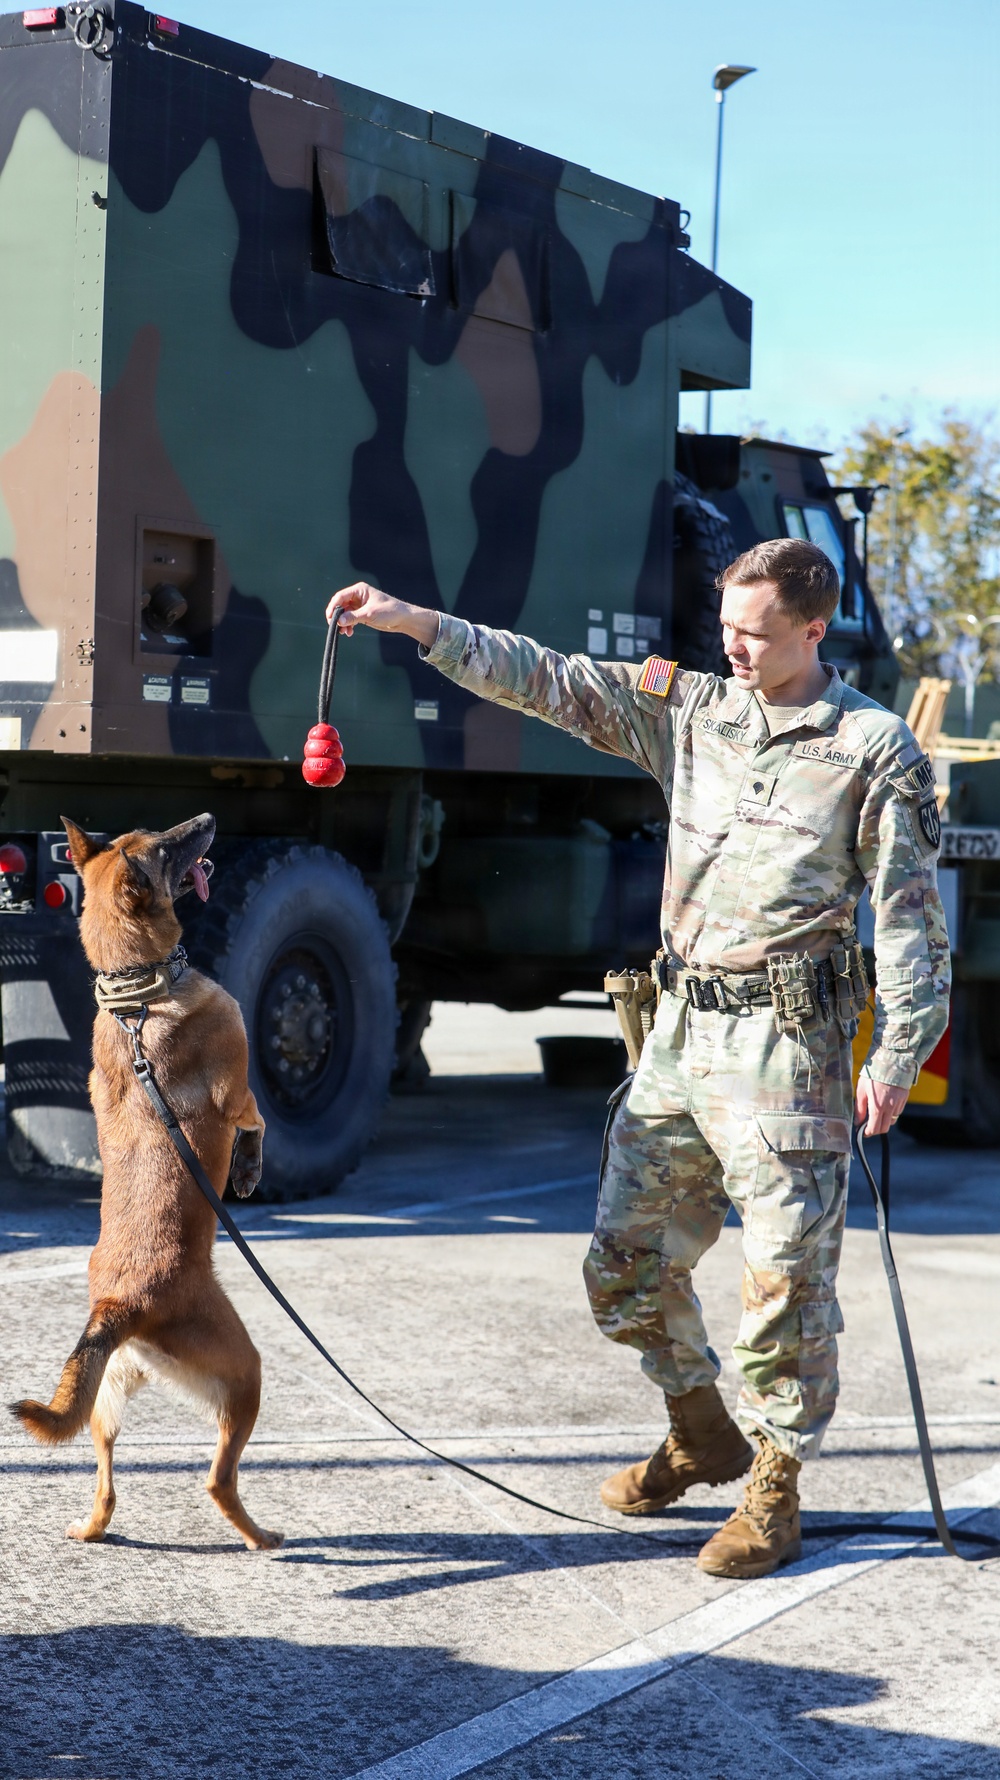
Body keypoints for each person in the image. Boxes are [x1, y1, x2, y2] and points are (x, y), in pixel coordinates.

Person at [326, 539, 950, 1579]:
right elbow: (557, 683)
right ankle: (701, 1429)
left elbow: (911, 924)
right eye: (725, 628)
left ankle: (773, 1491)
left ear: (813, 628)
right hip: (678, 1035)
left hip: (785, 1050)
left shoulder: (872, 747)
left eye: (754, 634)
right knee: (622, 1265)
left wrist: (898, 1049)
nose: (733, 648)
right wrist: (420, 625)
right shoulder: (694, 709)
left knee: (785, 1285)